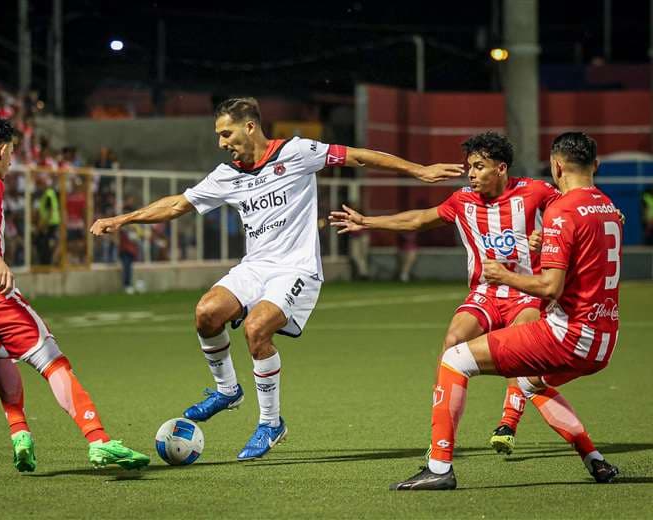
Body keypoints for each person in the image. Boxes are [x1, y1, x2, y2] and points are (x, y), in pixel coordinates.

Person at [90, 97, 463, 460]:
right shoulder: (227, 175)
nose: (221, 143)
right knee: (206, 312)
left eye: (226, 133)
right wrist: (122, 220)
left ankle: (270, 423)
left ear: (250, 127)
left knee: (256, 329)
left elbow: (359, 155)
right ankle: (227, 390)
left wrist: (419, 170)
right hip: (256, 267)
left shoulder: (297, 152)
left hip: (297, 269)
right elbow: (176, 205)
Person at [388, 132, 621, 490]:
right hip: (604, 342)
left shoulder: (560, 209)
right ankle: (595, 460)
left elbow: (549, 288)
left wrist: (503, 273)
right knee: (529, 382)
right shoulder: (609, 207)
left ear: (557, 166)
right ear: (596, 165)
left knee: (453, 360)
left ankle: (438, 468)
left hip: (568, 335)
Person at [0, 115, 148, 472]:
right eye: (12, 152)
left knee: (3, 353)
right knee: (52, 359)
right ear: (2, 150)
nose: (12, 160)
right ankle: (98, 440)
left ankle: (20, 433)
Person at [330, 132, 566, 454]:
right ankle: (441, 439)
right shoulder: (462, 200)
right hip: (484, 293)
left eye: (479, 166)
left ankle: (508, 422)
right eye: (469, 166)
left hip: (525, 291)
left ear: (500, 168)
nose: (471, 173)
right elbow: (418, 220)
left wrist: (552, 230)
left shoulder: (534, 191)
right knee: (452, 343)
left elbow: (570, 209)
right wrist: (367, 222)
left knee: (521, 344)